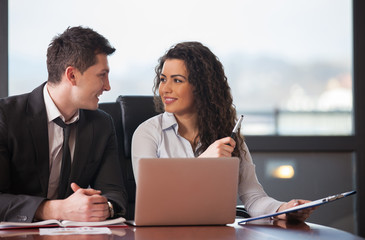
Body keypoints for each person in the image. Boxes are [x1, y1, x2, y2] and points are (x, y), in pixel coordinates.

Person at [132, 41, 316, 221]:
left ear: (201, 87)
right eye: (163, 79)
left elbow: (253, 197)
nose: (165, 89)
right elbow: (153, 199)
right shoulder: (147, 133)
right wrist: (204, 162)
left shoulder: (227, 134)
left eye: (177, 80)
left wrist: (283, 209)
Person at [0, 26, 127, 222]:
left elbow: (114, 193)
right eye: (102, 75)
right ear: (72, 75)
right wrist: (55, 210)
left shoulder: (102, 124)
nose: (108, 86)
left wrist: (104, 208)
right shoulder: (6, 116)